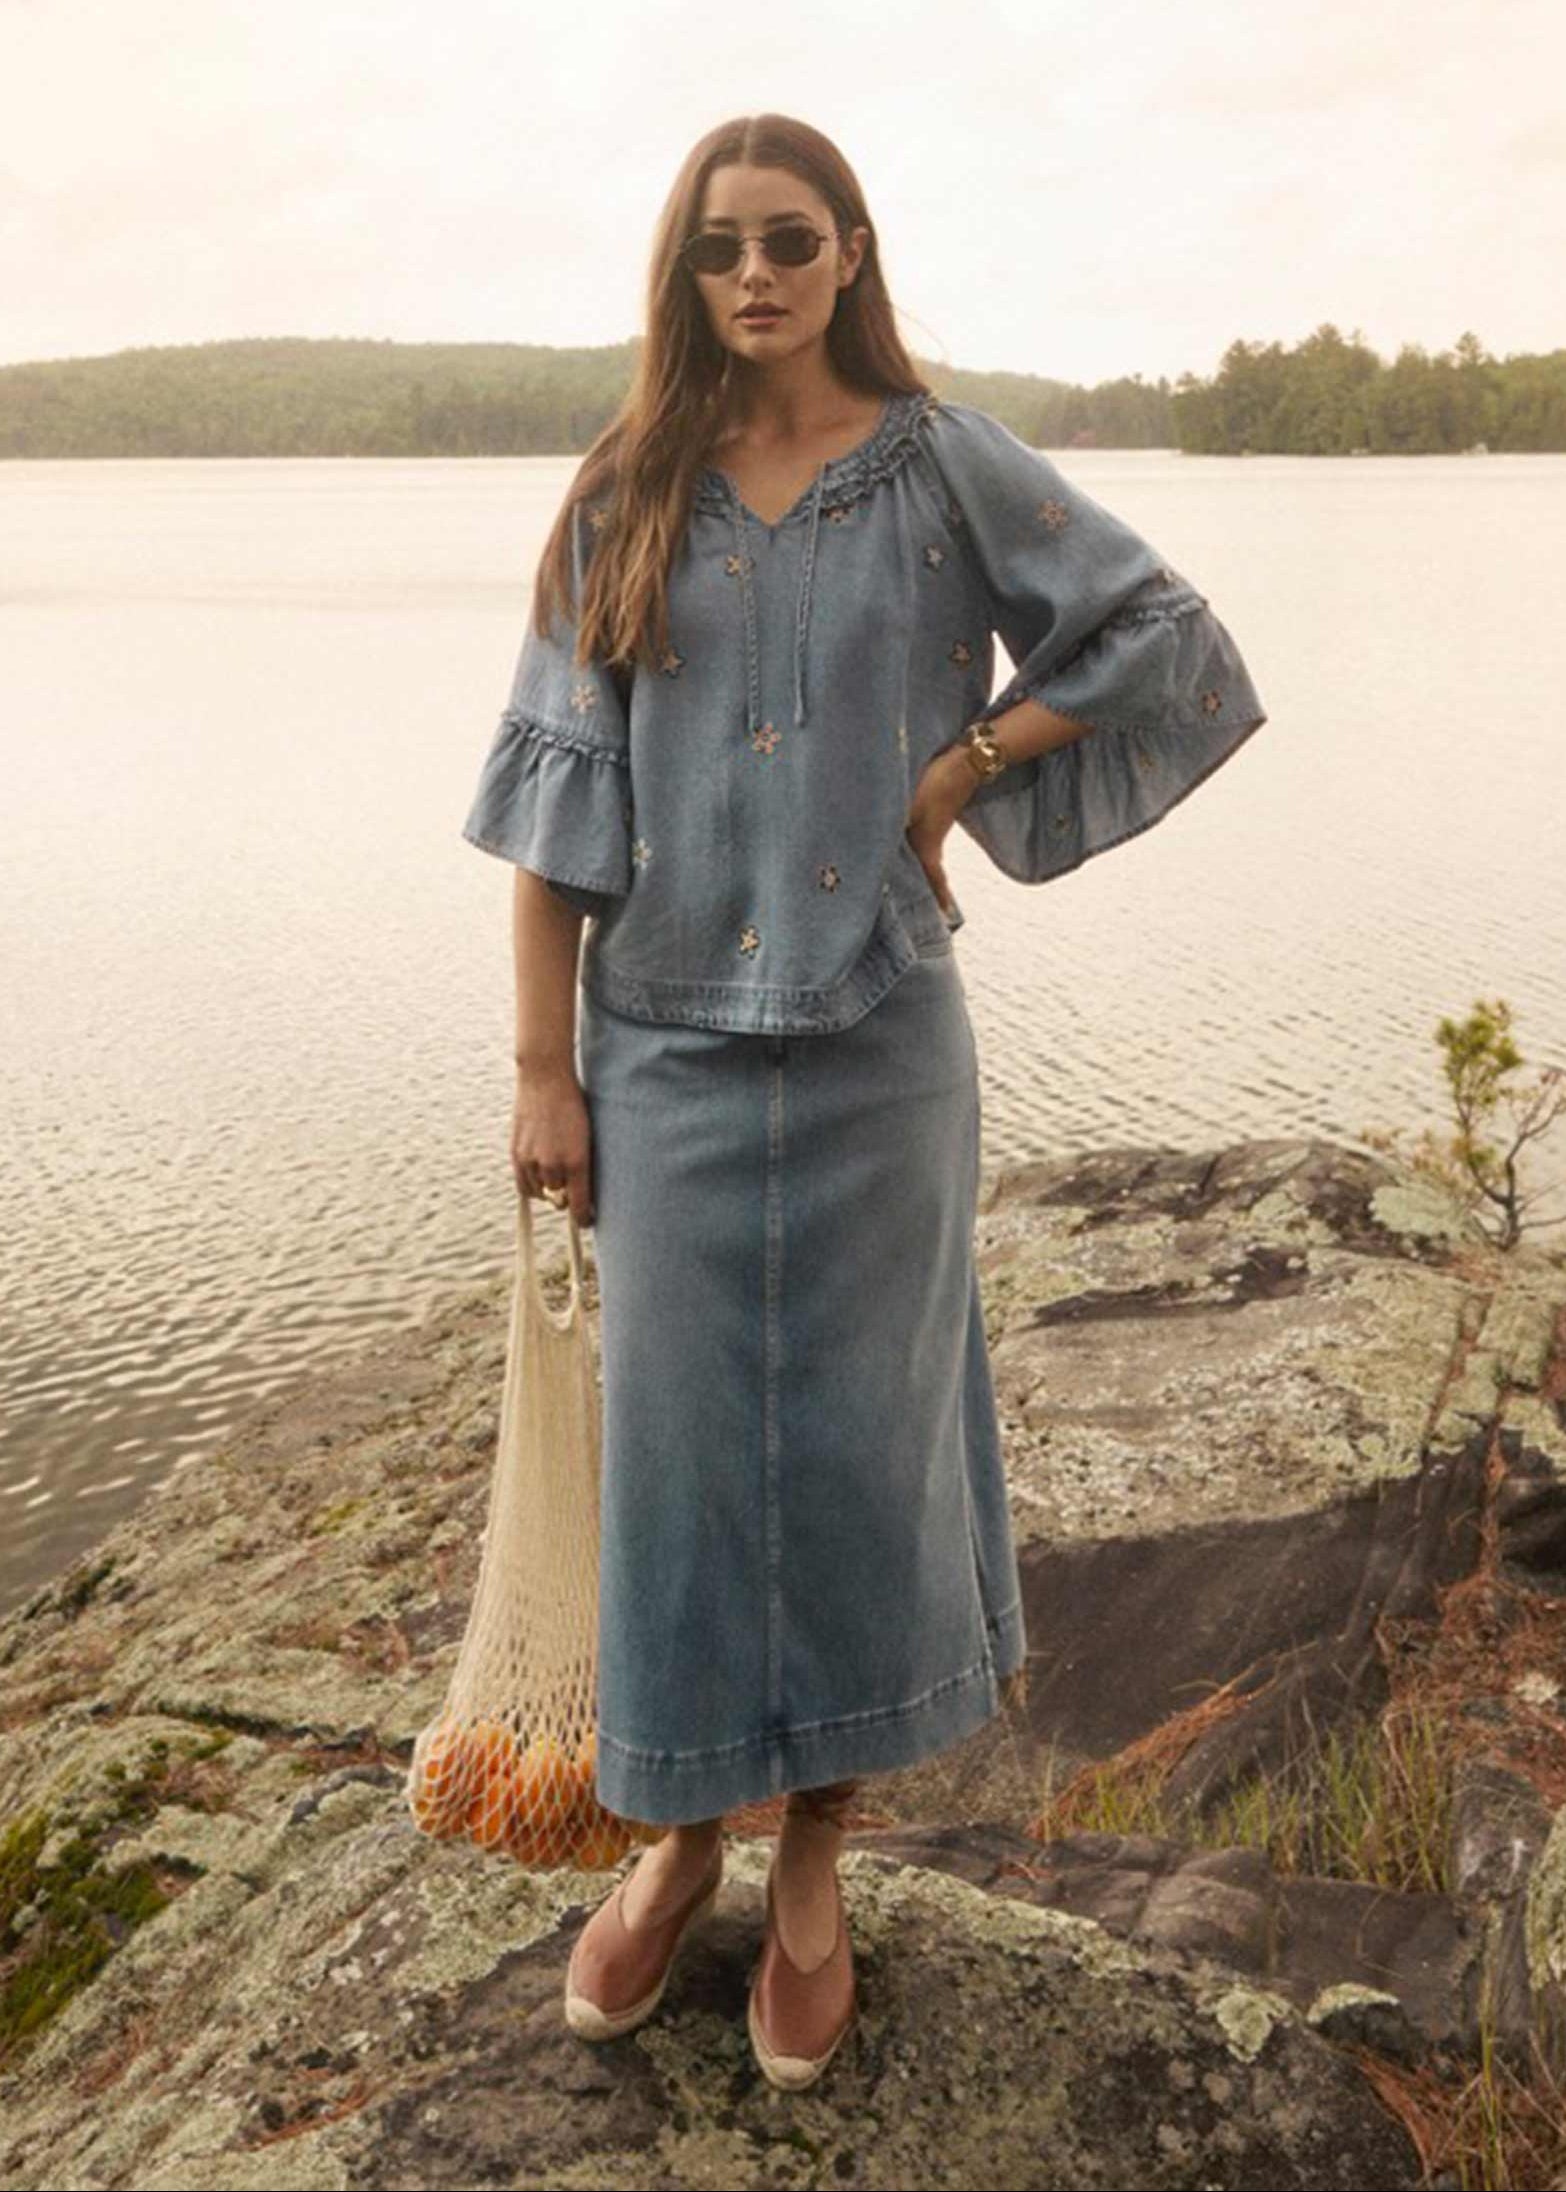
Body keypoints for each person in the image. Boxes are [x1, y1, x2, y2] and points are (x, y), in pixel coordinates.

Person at [460, 113, 1267, 2090]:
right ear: (687, 270)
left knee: (854, 1457)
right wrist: (543, 1070)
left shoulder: (940, 465)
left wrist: (965, 766)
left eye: (790, 240)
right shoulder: (619, 495)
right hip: (655, 1053)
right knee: (675, 1470)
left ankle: (814, 1864)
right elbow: (560, 811)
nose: (755, 274)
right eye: (721, 245)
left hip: (883, 1049)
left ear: (846, 254)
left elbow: (1163, 632)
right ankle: (675, 1842)